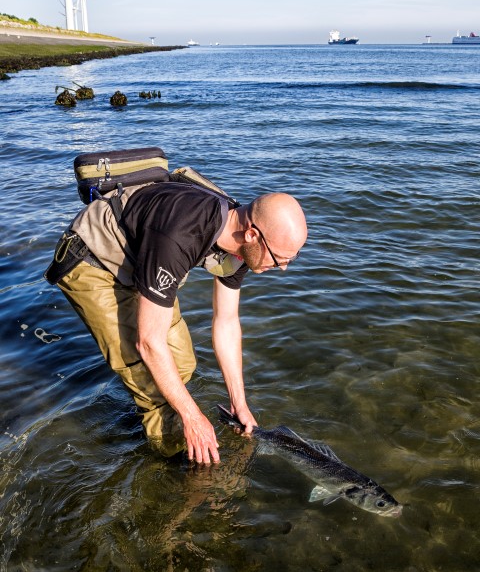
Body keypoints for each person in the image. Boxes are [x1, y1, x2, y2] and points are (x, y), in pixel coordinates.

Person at [46, 179, 308, 464]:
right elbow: (148, 342)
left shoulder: (238, 239)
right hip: (95, 261)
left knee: (182, 362)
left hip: (145, 257)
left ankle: (166, 428)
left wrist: (239, 403)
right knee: (151, 383)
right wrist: (193, 417)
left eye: (291, 259)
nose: (282, 268)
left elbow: (227, 323)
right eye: (279, 258)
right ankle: (177, 468)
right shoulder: (181, 235)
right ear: (252, 235)